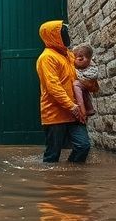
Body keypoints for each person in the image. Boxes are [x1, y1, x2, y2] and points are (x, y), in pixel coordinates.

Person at [35, 20, 91, 163]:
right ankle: (54, 182)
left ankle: (72, 178)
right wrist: (71, 106)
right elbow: (53, 87)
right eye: (63, 32)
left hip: (75, 112)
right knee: (52, 156)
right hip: (55, 114)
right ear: (53, 36)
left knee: (83, 146)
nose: (67, 35)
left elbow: (80, 73)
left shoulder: (68, 54)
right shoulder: (46, 58)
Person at [72, 43, 99, 122]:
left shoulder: (87, 70)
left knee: (77, 85)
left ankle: (83, 111)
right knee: (83, 91)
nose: (73, 60)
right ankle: (89, 109)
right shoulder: (90, 69)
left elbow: (94, 87)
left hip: (75, 111)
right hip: (67, 111)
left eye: (75, 58)